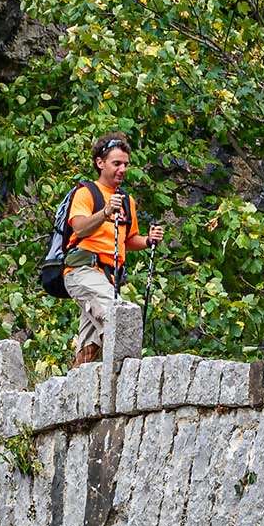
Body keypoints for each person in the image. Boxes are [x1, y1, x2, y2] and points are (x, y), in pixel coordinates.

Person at [64, 134, 162, 364]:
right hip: (83, 271)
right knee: (119, 319)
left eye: (126, 164)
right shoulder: (86, 193)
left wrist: (148, 240)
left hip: (109, 278)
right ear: (100, 163)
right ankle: (127, 377)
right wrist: (105, 212)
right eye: (116, 163)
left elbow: (128, 239)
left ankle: (74, 389)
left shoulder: (127, 201)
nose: (122, 169)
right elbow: (79, 228)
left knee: (90, 347)